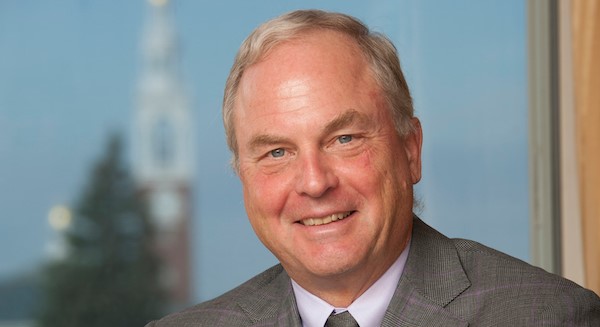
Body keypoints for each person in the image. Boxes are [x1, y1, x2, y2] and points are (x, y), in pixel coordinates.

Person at [147, 9, 600, 327]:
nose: (313, 182)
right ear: (242, 174)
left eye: (344, 139)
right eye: (277, 153)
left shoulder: (550, 316)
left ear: (410, 150)